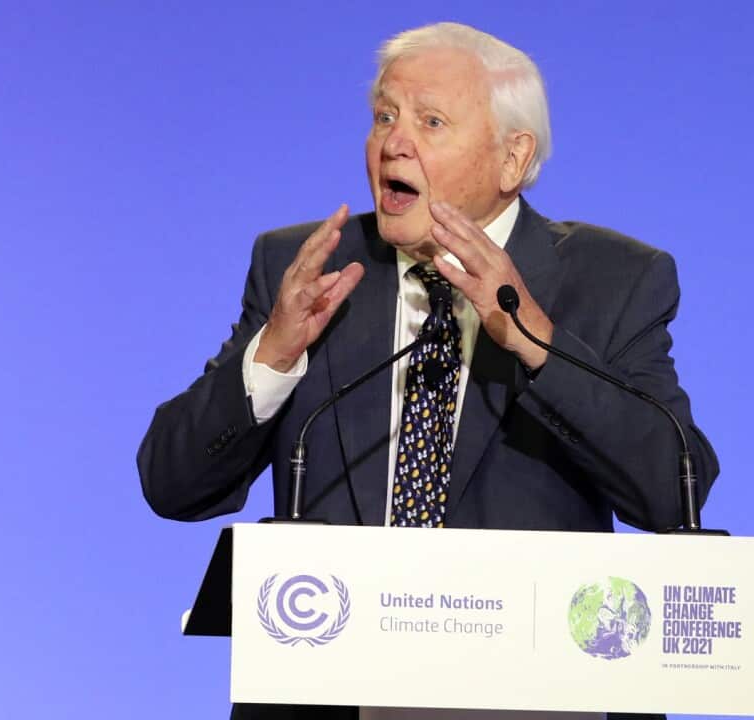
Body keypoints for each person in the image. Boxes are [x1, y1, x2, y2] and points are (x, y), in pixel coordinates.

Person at [137, 22, 719, 720]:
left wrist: (538, 343)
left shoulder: (612, 278)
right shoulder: (307, 270)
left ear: (512, 158)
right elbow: (172, 483)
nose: (394, 143)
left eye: (430, 121)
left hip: (541, 700)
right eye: (384, 116)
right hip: (328, 698)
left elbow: (673, 488)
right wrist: (273, 357)